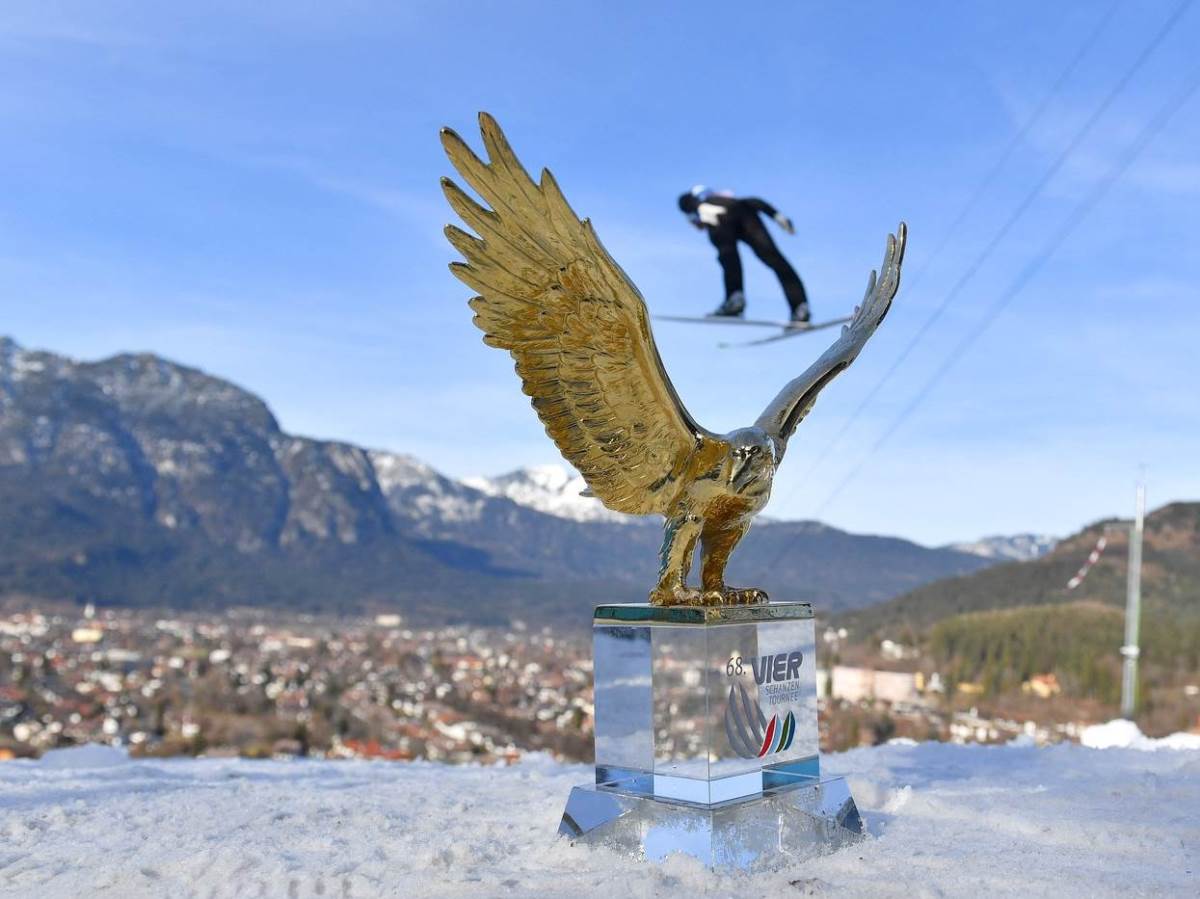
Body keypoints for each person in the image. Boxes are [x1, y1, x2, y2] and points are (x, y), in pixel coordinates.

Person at [678, 186, 810, 323]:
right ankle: (800, 307)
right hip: (747, 215)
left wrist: (695, 212)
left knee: (727, 255)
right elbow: (756, 202)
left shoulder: (701, 207)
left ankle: (735, 300)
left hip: (719, 217)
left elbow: (687, 206)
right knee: (775, 259)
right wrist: (778, 217)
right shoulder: (730, 200)